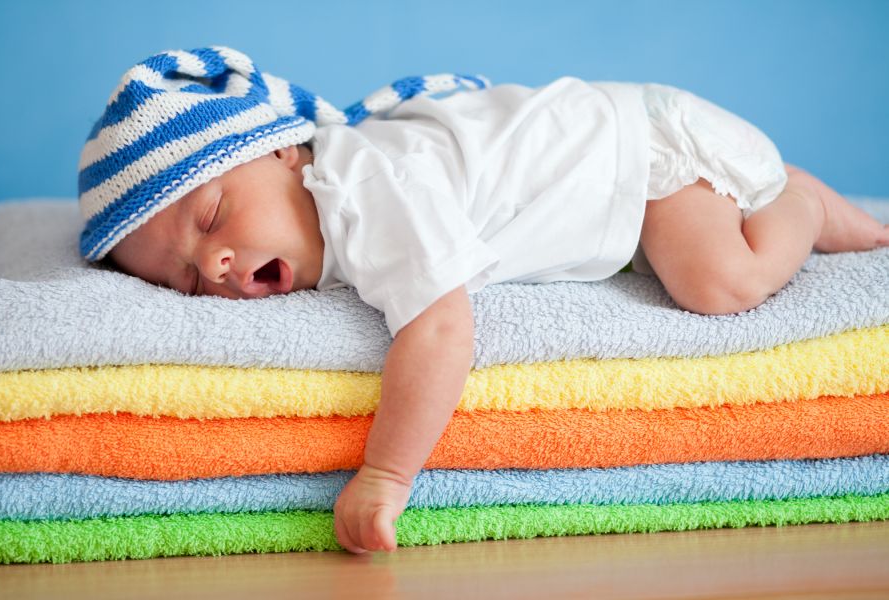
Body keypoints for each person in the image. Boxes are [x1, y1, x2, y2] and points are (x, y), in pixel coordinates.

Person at [78, 46, 888, 554]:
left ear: (283, 151)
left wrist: (385, 474)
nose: (214, 263)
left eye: (211, 216)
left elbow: (441, 329)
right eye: (185, 278)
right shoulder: (328, 195)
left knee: (720, 283)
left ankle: (800, 206)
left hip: (645, 156)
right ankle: (791, 201)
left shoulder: (362, 187)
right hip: (616, 154)